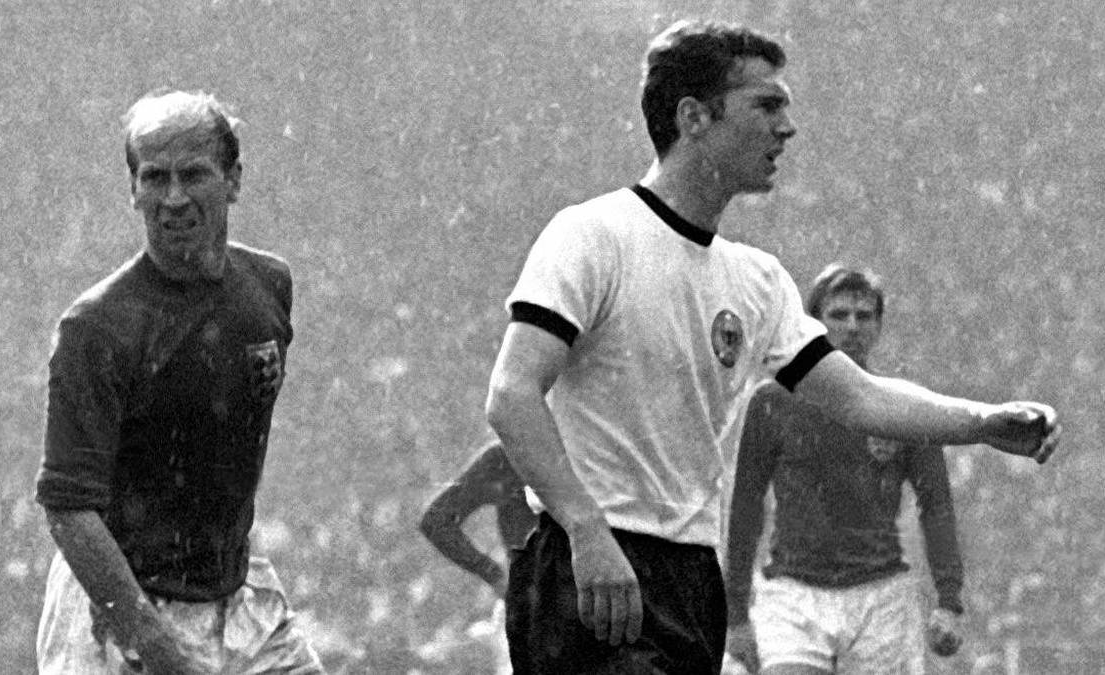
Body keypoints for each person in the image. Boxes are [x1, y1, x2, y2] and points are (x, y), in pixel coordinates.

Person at [483, 18, 1060, 675]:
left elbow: (861, 397)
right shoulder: (591, 235)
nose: (787, 127)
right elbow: (511, 395)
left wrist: (981, 422)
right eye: (767, 104)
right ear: (694, 116)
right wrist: (586, 530)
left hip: (690, 575)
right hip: (590, 565)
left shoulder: (755, 280)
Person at [34, 90, 324, 674]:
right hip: (121, 609)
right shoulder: (97, 327)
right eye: (154, 177)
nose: (173, 198)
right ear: (132, 190)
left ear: (233, 180)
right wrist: (151, 642)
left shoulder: (268, 286)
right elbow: (68, 507)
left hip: (235, 595)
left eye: (193, 174)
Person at [724, 265, 965, 675]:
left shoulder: (903, 406)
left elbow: (936, 506)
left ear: (879, 326)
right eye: (839, 315)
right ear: (813, 323)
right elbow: (746, 508)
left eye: (864, 316)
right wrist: (735, 615)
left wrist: (949, 600)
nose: (852, 326)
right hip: (793, 594)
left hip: (882, 596)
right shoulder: (772, 402)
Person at [418, 439, 536, 597]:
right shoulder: (505, 457)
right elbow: (435, 521)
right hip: (543, 592)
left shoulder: (572, 443)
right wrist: (492, 574)